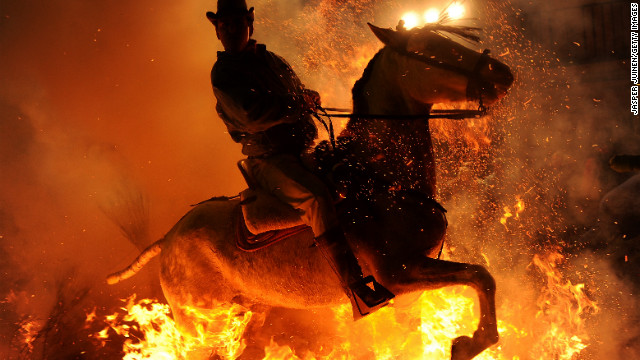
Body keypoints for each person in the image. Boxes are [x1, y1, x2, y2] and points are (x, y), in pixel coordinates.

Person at [206, 0, 394, 318]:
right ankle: (356, 290)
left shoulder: (273, 61)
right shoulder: (224, 74)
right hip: (269, 160)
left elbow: (294, 92)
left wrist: (307, 96)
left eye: (237, 23)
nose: (232, 31)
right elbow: (253, 116)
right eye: (225, 26)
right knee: (317, 199)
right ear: (217, 30)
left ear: (250, 22)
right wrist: (297, 105)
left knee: (355, 170)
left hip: (298, 152)